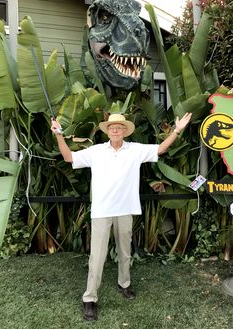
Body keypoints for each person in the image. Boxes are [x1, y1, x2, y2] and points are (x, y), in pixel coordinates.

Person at [51, 112, 192, 321]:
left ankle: (124, 284)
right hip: (101, 212)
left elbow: (161, 149)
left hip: (125, 210)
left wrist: (177, 129)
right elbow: (68, 157)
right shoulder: (96, 151)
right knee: (96, 258)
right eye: (111, 127)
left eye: (119, 127)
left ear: (125, 131)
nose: (115, 130)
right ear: (107, 131)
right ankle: (89, 299)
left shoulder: (135, 150)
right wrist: (59, 135)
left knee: (125, 253)